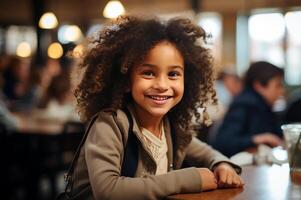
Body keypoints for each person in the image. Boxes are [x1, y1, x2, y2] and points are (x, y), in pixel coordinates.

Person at [70, 16, 244, 200]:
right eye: (148, 73)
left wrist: (221, 165)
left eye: (173, 74)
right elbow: (108, 191)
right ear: (126, 81)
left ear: (187, 79)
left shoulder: (171, 128)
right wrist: (189, 178)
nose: (162, 84)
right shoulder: (110, 124)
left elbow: (208, 153)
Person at [211, 61, 285, 157]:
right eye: (278, 85)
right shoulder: (245, 104)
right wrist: (258, 139)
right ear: (259, 85)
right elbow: (223, 142)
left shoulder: (264, 105)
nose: (282, 91)